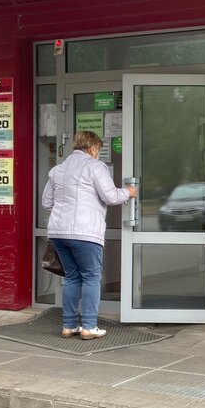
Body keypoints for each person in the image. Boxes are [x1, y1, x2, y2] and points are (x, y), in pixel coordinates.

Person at [42, 131, 137, 339]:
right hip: (85, 232)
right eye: (98, 150)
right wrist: (128, 192)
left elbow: (47, 202)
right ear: (93, 148)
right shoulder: (96, 167)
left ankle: (69, 326)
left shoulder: (57, 170)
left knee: (71, 276)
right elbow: (110, 196)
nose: (97, 153)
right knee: (91, 276)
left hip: (58, 232)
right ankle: (89, 326)